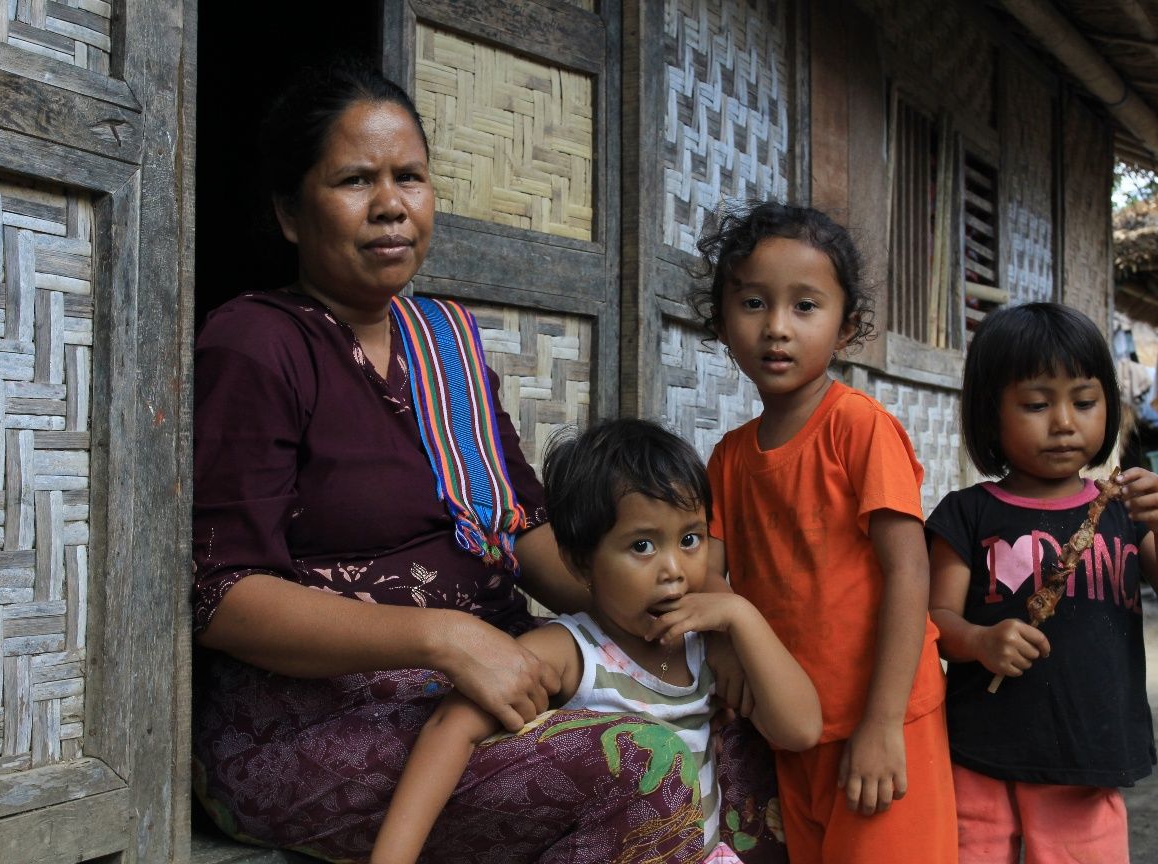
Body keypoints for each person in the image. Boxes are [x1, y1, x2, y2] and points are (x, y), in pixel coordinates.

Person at [192, 60, 785, 863]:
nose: (392, 204)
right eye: (355, 181)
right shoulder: (260, 343)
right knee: (639, 769)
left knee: (729, 718)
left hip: (491, 667)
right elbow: (225, 598)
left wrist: (672, 616)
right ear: (291, 215)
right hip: (315, 717)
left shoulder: (449, 344)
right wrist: (441, 638)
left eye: (410, 176)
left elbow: (524, 529)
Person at [372, 419, 822, 864]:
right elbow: (449, 728)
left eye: (690, 539)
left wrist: (741, 615)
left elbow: (799, 729)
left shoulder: (705, 646)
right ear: (582, 563)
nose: (674, 569)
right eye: (642, 546)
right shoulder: (574, 651)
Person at [695, 202, 958, 863]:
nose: (777, 327)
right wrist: (725, 654)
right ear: (723, 323)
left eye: (805, 306)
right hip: (793, 729)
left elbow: (909, 572)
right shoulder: (729, 458)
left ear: (846, 328)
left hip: (881, 720)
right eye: (754, 303)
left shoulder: (859, 429)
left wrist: (883, 724)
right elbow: (708, 574)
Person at [926, 302, 1158, 864]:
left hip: (1090, 759)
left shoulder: (1125, 510)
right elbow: (935, 620)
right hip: (980, 754)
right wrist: (981, 642)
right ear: (990, 414)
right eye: (1036, 404)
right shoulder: (967, 514)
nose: (1064, 422)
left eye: (1084, 402)